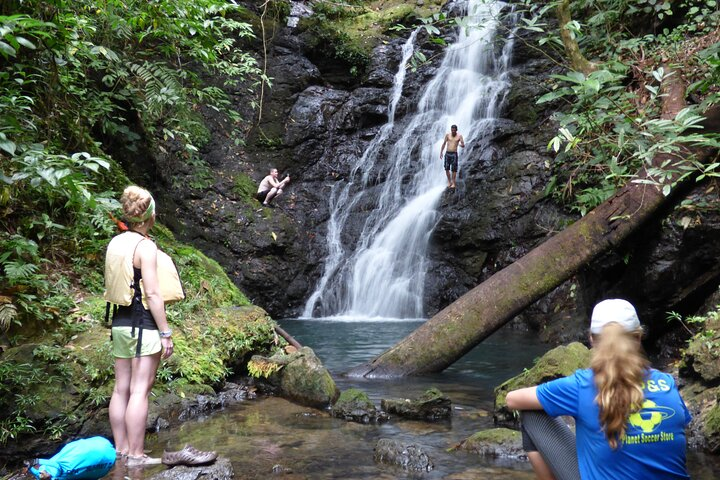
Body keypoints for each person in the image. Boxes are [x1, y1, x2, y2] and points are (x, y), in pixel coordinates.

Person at [506, 299, 691, 480]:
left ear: (592, 340)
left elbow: (512, 400)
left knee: (531, 413)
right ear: (638, 337)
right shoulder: (667, 382)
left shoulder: (582, 384)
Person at [106, 186, 173, 467]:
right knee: (139, 390)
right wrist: (165, 332)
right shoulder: (146, 247)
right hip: (143, 324)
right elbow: (153, 295)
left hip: (119, 323)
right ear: (150, 216)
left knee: (120, 388)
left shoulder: (116, 242)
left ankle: (121, 449)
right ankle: (136, 455)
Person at [439, 124, 465, 189]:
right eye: (452, 130)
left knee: (454, 169)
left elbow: (463, 144)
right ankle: (449, 181)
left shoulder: (459, 136)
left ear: (456, 130)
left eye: (454, 130)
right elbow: (444, 144)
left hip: (454, 154)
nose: (453, 131)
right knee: (446, 168)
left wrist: (460, 145)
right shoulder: (447, 135)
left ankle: (453, 183)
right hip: (447, 153)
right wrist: (441, 152)